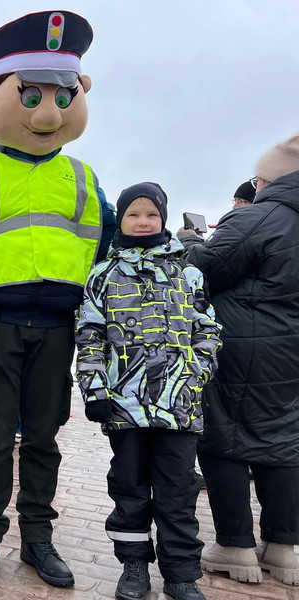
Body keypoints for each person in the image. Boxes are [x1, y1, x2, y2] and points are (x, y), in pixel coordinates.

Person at [0, 11, 117, 587]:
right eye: (32, 95)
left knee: (43, 436)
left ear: (78, 94)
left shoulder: (85, 178)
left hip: (59, 324)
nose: (48, 111)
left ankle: (38, 538)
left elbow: (113, 243)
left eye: (62, 97)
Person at [76, 182, 223, 600]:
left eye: (152, 215)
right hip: (124, 405)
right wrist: (94, 388)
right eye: (134, 215)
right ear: (121, 220)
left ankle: (181, 573)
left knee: (178, 490)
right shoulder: (103, 275)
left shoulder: (188, 272)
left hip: (179, 405)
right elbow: (90, 335)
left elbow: (208, 328)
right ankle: (134, 563)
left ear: (163, 219)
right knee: (129, 485)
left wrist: (196, 372)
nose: (143, 222)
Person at [177, 134, 299, 587]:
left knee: (224, 438)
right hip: (291, 352)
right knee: (284, 442)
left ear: (268, 179)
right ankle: (284, 548)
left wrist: (190, 242)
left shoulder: (262, 216)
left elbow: (204, 268)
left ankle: (236, 545)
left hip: (242, 347)